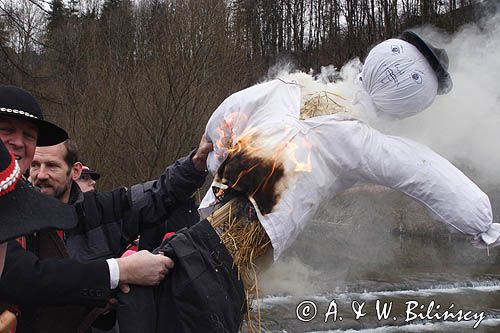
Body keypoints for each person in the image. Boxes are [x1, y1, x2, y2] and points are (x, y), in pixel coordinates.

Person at [0, 85, 211, 332]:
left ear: (75, 171)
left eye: (29, 136)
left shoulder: (91, 211)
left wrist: (197, 162)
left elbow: (155, 195)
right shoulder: (14, 214)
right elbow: (24, 276)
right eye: (7, 131)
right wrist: (120, 271)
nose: (18, 143)